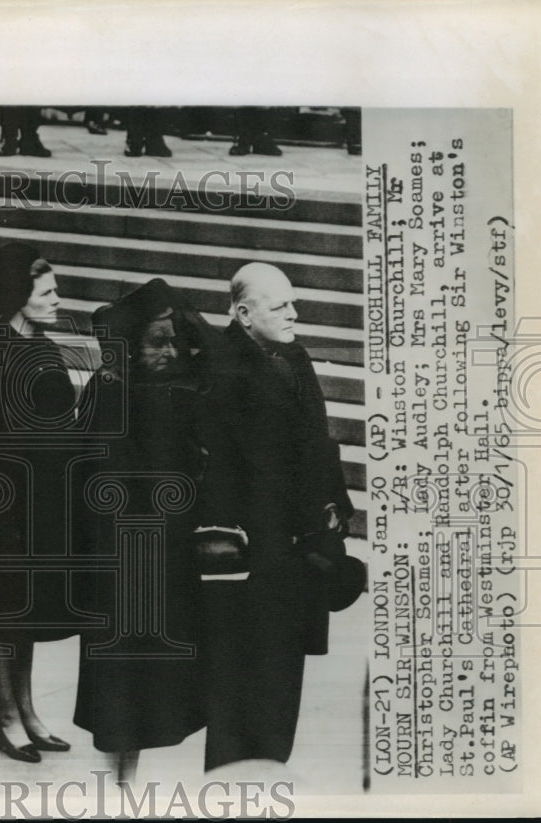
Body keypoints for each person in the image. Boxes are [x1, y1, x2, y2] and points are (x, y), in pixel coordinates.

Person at [194, 262, 353, 770]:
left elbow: (319, 443)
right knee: (238, 704)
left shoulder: (294, 356)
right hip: (252, 561)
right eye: (280, 305)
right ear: (243, 313)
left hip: (295, 552)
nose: (294, 313)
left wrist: (335, 507)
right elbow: (253, 468)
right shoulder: (222, 369)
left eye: (293, 302)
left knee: (281, 694)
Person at [72, 278, 211, 784]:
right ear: (129, 347)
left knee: (143, 698)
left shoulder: (165, 392)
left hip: (155, 567)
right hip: (120, 574)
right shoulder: (109, 394)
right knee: (119, 698)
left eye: (174, 339)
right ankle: (116, 787)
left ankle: (123, 783)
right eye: (158, 341)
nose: (171, 350)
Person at [0, 243, 78, 763]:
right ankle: (7, 717)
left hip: (41, 504)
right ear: (17, 298)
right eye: (47, 291)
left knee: (24, 612)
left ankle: (27, 711)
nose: (58, 298)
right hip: (7, 509)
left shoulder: (44, 348)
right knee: (4, 615)